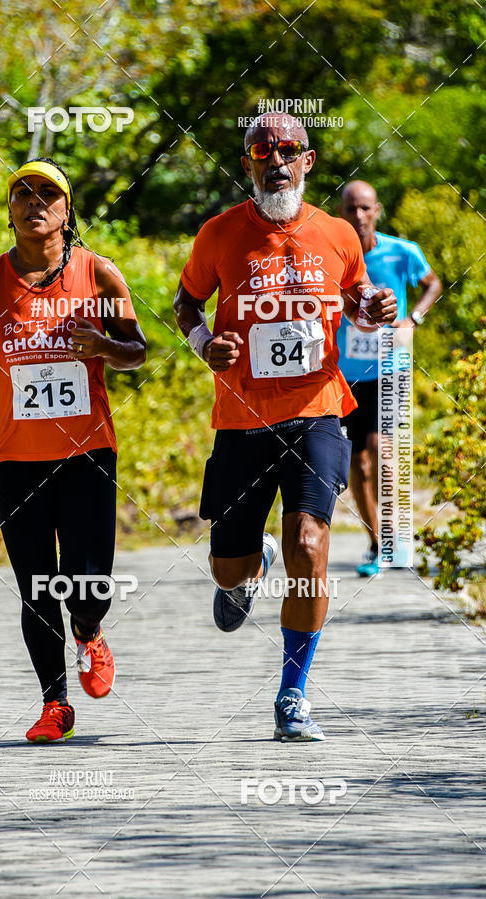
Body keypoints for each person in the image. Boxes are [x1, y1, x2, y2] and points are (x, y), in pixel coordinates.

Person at [174, 115, 397, 742]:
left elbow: (357, 297)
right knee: (229, 569)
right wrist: (203, 343)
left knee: (310, 543)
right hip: (241, 421)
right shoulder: (219, 234)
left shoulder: (338, 233)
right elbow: (186, 303)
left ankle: (292, 695)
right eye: (262, 152)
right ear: (248, 164)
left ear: (308, 160)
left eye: (288, 150)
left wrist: (376, 307)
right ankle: (252, 565)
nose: (276, 160)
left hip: (318, 411)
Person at [0, 157, 146, 742]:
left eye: (48, 193)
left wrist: (103, 346)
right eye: (22, 193)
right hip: (14, 457)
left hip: (86, 453)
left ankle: (89, 632)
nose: (34, 202)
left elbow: (137, 350)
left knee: (87, 588)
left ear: (67, 211)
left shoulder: (98, 273)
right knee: (36, 584)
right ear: (9, 210)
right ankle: (55, 705)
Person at [337, 181, 441, 577]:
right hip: (346, 375)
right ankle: (377, 544)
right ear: (341, 212)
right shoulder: (333, 255)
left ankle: (395, 537)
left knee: (382, 451)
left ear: (377, 210)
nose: (359, 216)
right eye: (351, 208)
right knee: (359, 464)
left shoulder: (403, 251)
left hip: (389, 368)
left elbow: (432, 284)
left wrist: (413, 319)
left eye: (365, 208)